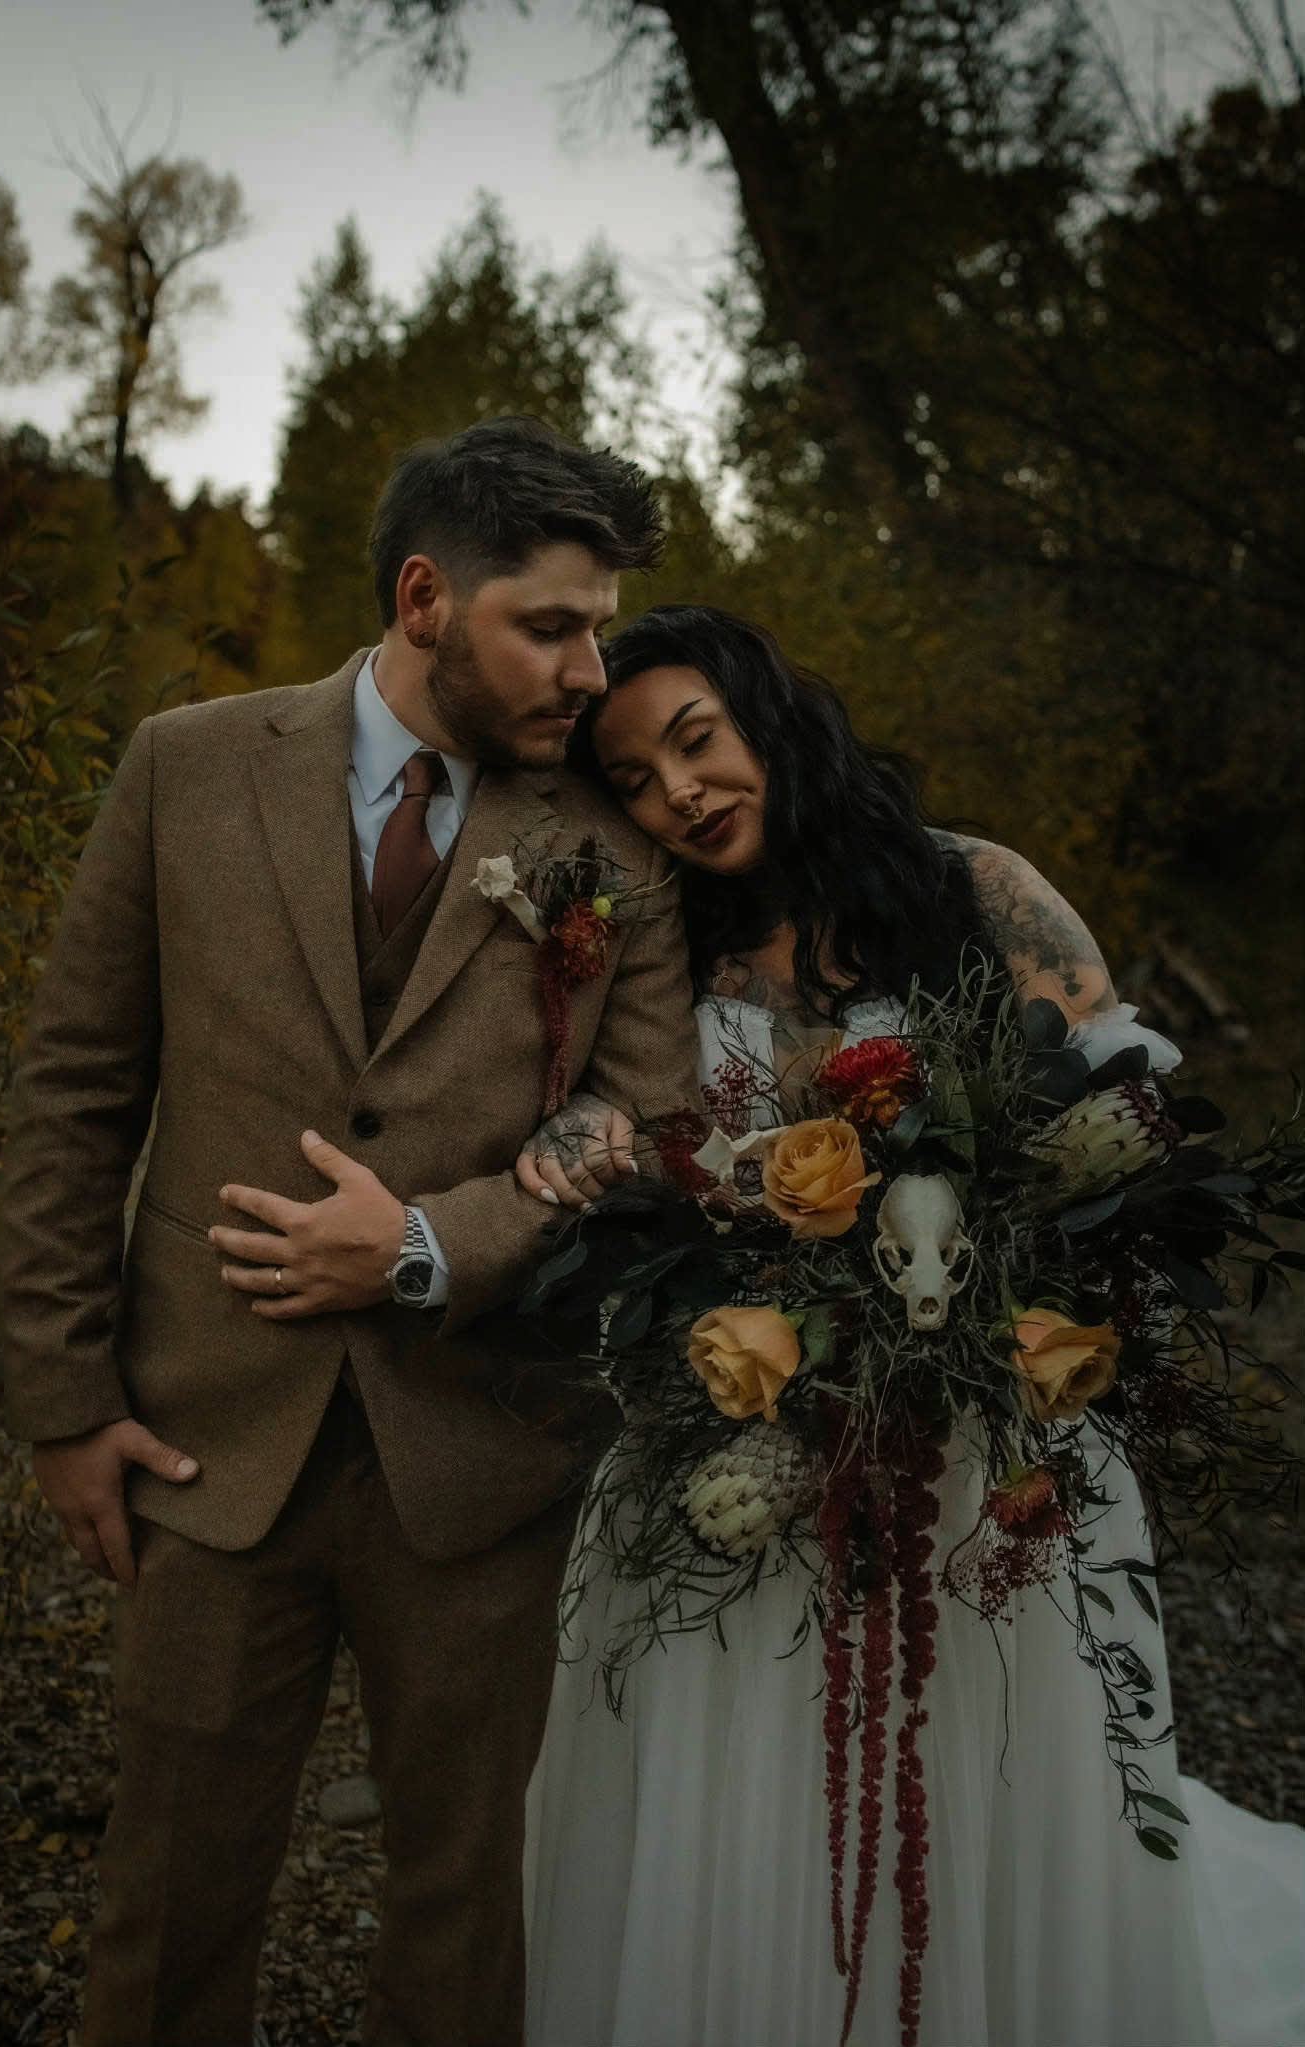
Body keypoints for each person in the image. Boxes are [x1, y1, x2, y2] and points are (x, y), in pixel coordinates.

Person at [0, 418, 700, 2047]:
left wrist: (434, 1242)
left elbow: (643, 1120)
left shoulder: (611, 851)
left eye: (600, 625)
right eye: (553, 622)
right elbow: (76, 1097)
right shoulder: (185, 764)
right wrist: (62, 1403)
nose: (591, 666)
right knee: (167, 1904)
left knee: (465, 1922)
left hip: (485, 1450)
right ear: (423, 597)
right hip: (204, 1445)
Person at [516, 605, 1305, 2047]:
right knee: (741, 1786)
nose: (677, 794)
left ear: (765, 717)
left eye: (694, 742)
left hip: (979, 1447)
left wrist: (984, 1289)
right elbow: (624, 1141)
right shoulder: (651, 958)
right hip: (745, 1447)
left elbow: (1119, 1129)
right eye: (631, 780)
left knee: (995, 1774)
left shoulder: (974, 890)